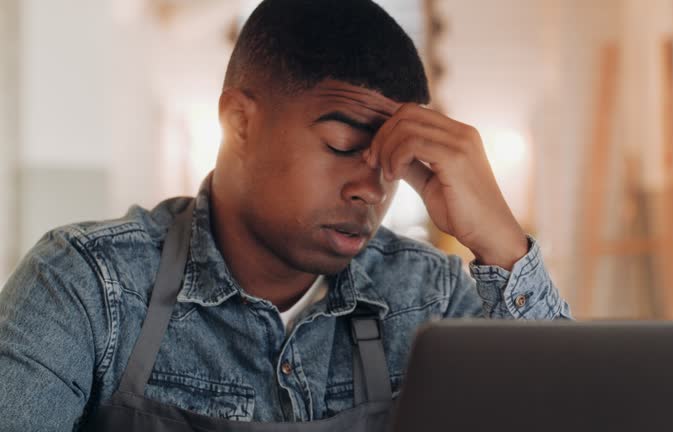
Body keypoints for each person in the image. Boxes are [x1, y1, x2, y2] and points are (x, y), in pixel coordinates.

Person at [0, 0, 571, 430]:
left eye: (395, 162)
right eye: (345, 145)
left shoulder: (431, 298)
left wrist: (504, 247)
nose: (370, 189)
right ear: (241, 122)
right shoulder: (87, 286)